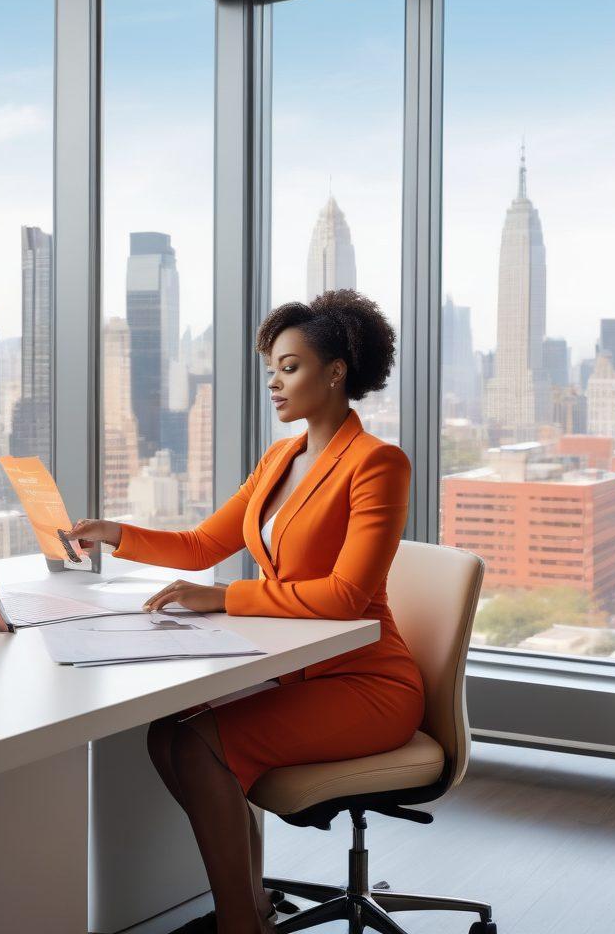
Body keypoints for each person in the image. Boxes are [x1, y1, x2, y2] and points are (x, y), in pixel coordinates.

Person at [62, 289, 424, 934]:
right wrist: (115, 533)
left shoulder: (377, 464)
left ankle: (239, 923)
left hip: (366, 681)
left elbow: (345, 595)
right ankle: (250, 901)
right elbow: (204, 546)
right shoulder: (280, 459)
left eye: (290, 367)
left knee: (200, 747)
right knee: (166, 732)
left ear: (336, 371)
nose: (275, 383)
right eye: (271, 370)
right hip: (298, 670)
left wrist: (227, 597)